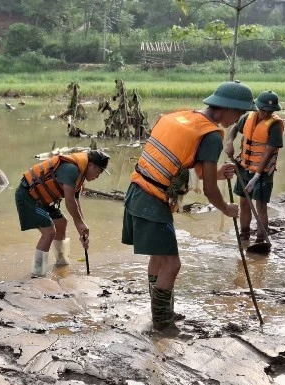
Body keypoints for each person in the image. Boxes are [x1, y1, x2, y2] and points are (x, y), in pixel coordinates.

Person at [122, 80, 256, 332]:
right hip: (152, 201)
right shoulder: (210, 136)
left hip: (137, 191)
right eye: (238, 113)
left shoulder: (181, 117)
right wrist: (226, 208)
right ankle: (162, 323)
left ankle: (163, 312)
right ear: (226, 108)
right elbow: (208, 190)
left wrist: (216, 173)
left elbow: (180, 168)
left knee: (158, 258)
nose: (237, 120)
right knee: (172, 264)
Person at [16, 149, 110, 277]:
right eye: (98, 172)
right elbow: (69, 202)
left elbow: (75, 202)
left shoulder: (80, 174)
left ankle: (61, 264)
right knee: (49, 232)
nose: (97, 176)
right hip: (28, 196)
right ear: (91, 165)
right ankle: (37, 273)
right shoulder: (71, 169)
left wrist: (81, 229)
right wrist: (79, 222)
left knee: (61, 223)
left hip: (43, 199)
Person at [224, 90, 284, 245]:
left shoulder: (275, 126)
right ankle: (244, 235)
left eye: (270, 111)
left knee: (260, 205)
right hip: (244, 167)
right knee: (244, 202)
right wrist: (230, 142)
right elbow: (234, 129)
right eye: (263, 110)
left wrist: (256, 176)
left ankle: (260, 239)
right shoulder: (247, 117)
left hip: (262, 172)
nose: (266, 114)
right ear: (258, 107)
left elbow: (268, 154)